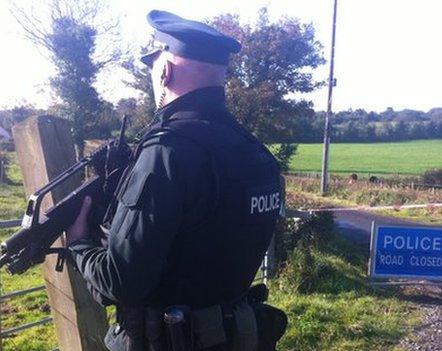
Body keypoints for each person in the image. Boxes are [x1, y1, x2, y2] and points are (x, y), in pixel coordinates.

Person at [66, 10, 283, 350]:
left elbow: (120, 280)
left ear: (165, 71)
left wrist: (79, 242)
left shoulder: (168, 151)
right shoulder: (255, 153)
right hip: (237, 338)